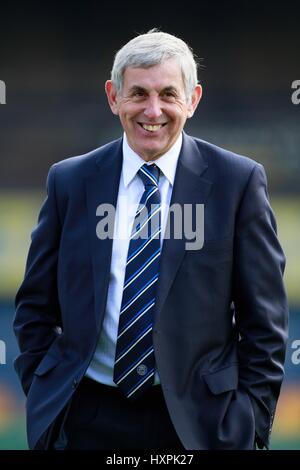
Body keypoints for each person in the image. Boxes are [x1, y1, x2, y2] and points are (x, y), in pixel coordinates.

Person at [14, 29, 288, 450]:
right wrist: (44, 395)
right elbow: (35, 307)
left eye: (168, 94)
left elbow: (265, 324)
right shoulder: (69, 180)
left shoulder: (239, 182)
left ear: (193, 99)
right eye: (138, 93)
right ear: (113, 97)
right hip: (85, 419)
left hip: (199, 425)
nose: (153, 110)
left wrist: (248, 424)